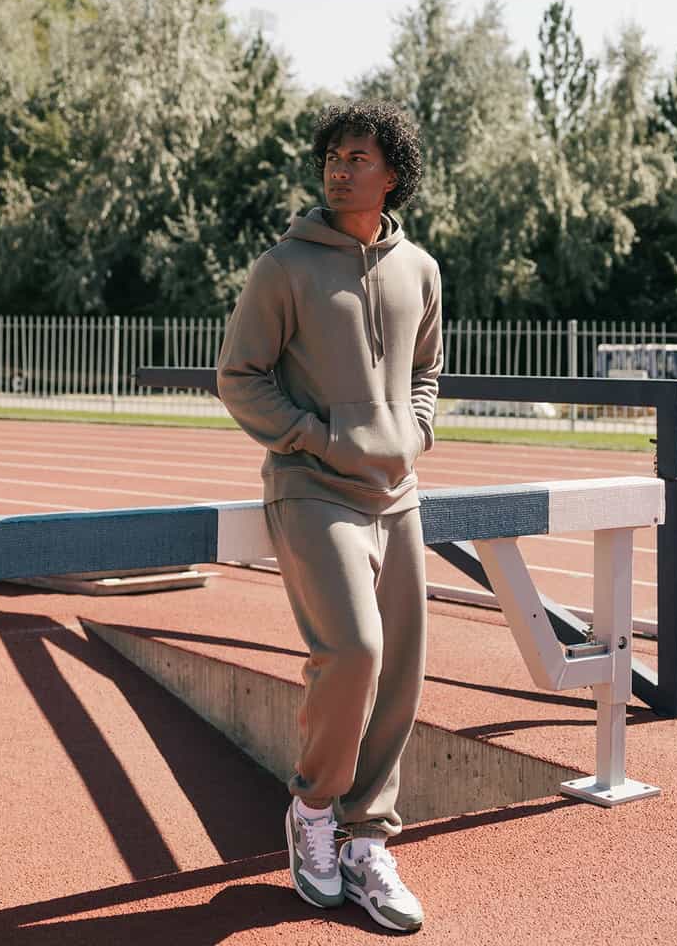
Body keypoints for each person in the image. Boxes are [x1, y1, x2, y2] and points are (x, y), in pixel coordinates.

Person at [217, 100, 443, 932]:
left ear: (394, 175)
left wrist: (414, 432)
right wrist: (313, 437)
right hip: (313, 489)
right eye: (333, 156)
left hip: (398, 494)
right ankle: (314, 811)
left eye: (358, 157)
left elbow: (426, 371)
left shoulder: (420, 269)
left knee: (402, 673)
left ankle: (364, 841)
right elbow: (241, 375)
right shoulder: (284, 267)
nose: (340, 168)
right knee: (353, 652)